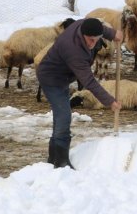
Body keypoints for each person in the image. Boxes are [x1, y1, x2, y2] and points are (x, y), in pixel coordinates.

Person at [35, 17, 121, 169]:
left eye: (96, 40)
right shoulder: (73, 49)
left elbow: (99, 27)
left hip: (63, 76)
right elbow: (89, 82)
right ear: (83, 34)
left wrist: (113, 34)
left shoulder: (84, 25)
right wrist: (109, 101)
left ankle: (53, 158)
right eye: (90, 40)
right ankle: (61, 161)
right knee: (64, 115)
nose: (92, 44)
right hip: (51, 78)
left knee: (60, 114)